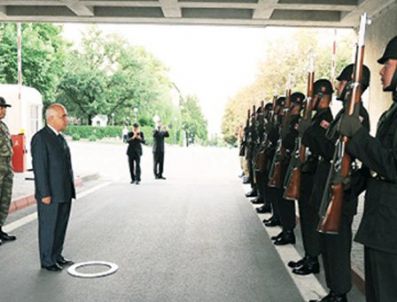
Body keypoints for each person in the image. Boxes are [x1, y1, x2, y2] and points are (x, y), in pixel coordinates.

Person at [339, 35, 397, 302]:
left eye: (388, 64)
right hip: (381, 225)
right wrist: (354, 183)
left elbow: (392, 165)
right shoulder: (392, 113)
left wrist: (360, 136)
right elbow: (378, 164)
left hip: (391, 229)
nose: (382, 71)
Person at [309, 65, 371, 302]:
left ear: (352, 86)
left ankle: (340, 292)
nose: (337, 86)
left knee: (337, 245)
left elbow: (356, 156)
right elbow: (331, 149)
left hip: (341, 192)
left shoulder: (357, 115)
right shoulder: (343, 114)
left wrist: (350, 189)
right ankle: (334, 291)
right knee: (328, 243)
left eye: (342, 82)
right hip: (330, 187)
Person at [31, 103, 75, 272]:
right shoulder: (41, 138)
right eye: (63, 116)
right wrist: (45, 193)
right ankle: (47, 260)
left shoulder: (59, 137)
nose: (66, 119)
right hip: (50, 193)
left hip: (63, 191)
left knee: (60, 225)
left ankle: (57, 255)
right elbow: (40, 168)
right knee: (49, 226)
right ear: (51, 118)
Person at [0, 97, 16, 245]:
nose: (3, 110)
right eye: (1, 107)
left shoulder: (3, 126)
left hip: (6, 169)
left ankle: (0, 229)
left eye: (4, 107)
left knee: (5, 200)